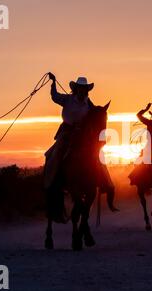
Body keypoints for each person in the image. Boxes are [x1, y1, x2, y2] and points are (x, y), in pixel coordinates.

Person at [44, 73, 116, 222]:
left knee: (96, 155)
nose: (83, 91)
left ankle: (105, 182)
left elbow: (95, 112)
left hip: (83, 133)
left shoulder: (88, 102)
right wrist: (53, 82)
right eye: (81, 89)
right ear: (76, 89)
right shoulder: (67, 99)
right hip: (67, 131)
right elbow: (54, 96)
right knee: (55, 153)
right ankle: (51, 180)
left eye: (85, 89)